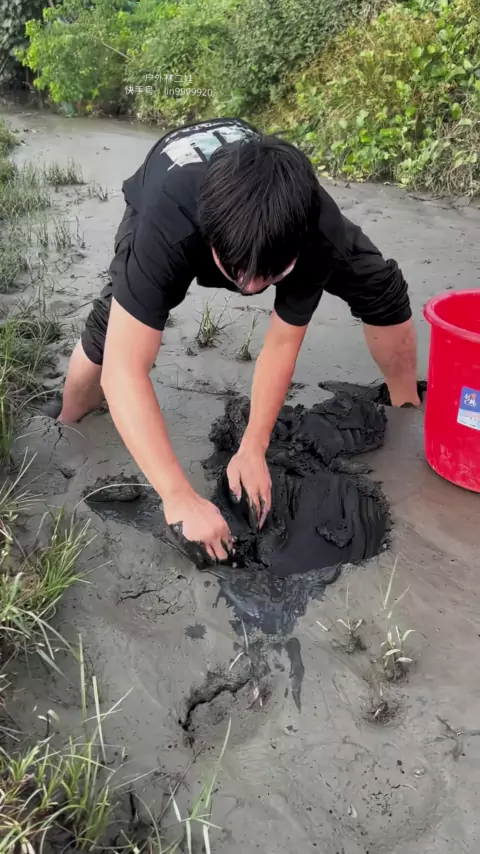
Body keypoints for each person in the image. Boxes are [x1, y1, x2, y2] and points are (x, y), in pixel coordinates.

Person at [58, 117, 420, 563]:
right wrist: (178, 496)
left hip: (272, 215)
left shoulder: (316, 229)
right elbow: (124, 370)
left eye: (268, 276)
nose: (249, 287)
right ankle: (65, 424)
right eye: (236, 272)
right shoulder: (168, 222)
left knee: (379, 285)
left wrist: (254, 445)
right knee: (110, 330)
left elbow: (282, 344)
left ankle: (406, 407)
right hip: (172, 185)